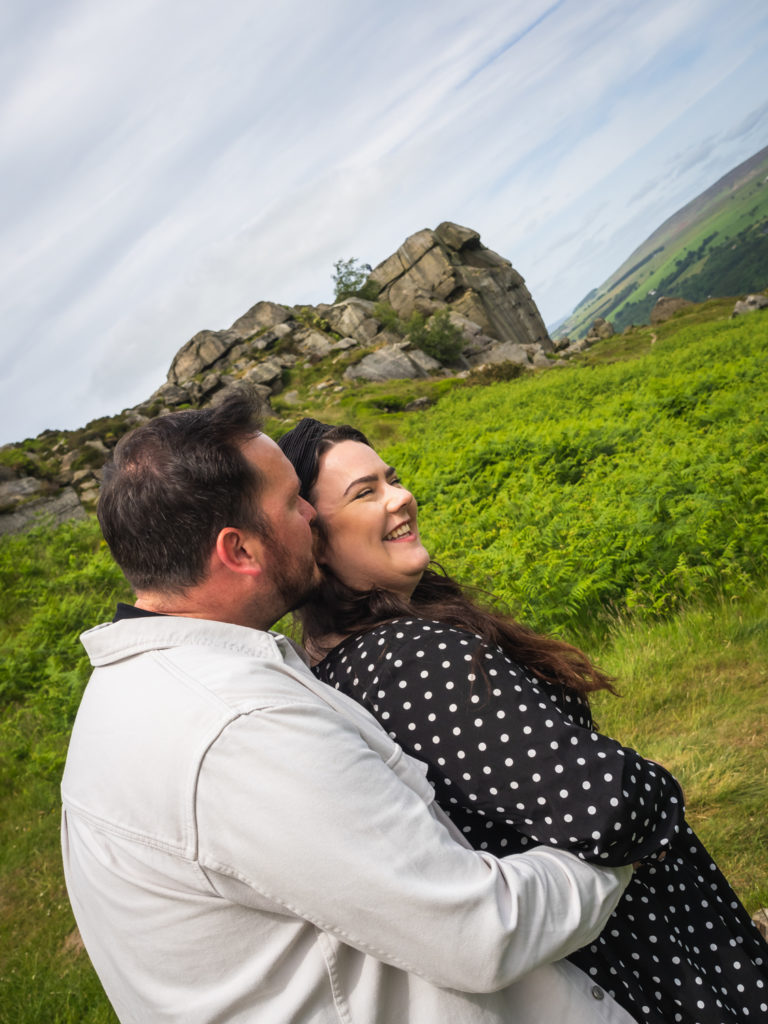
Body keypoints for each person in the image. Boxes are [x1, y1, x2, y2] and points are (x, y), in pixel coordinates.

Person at [61, 388, 640, 1024]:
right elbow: (482, 933)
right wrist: (621, 834)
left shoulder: (126, 700)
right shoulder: (239, 732)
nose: (315, 515)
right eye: (293, 504)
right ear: (240, 551)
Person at [278, 416, 768, 1024]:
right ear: (314, 541)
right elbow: (603, 807)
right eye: (365, 492)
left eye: (392, 478)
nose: (401, 498)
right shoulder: (409, 660)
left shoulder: (346, 654)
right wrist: (656, 791)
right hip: (633, 948)